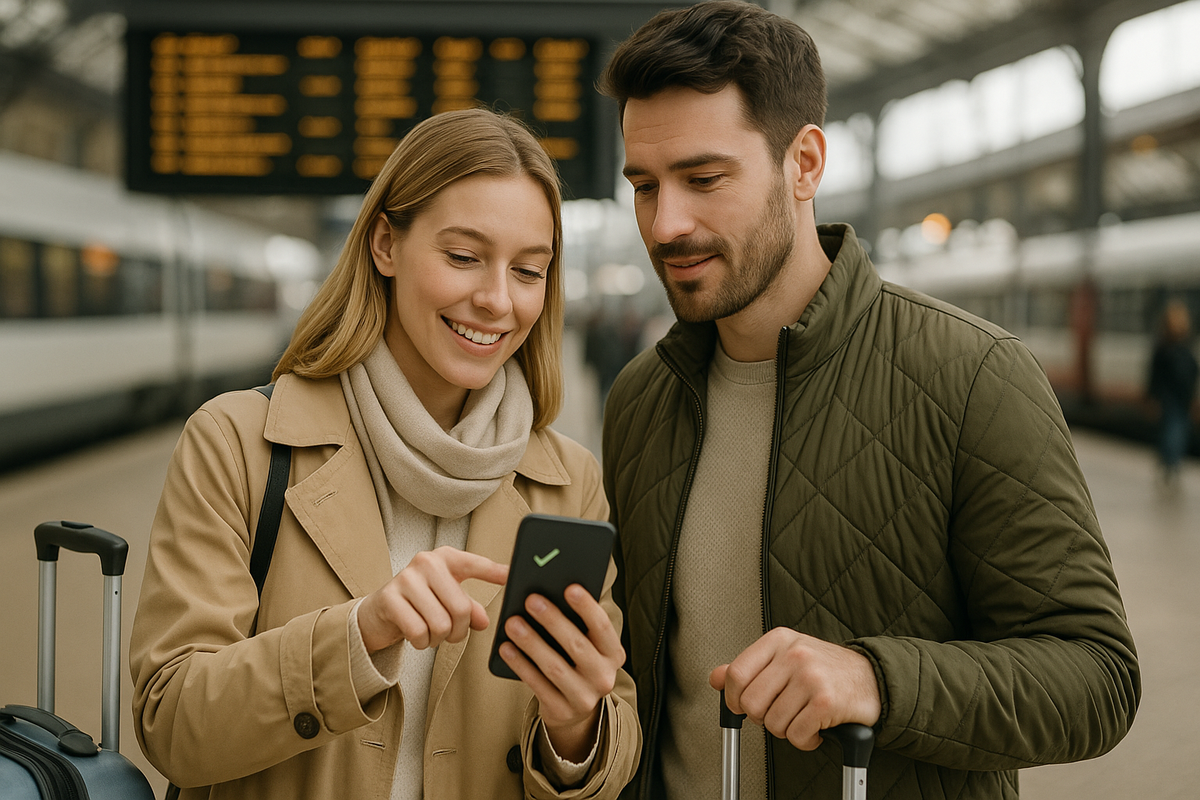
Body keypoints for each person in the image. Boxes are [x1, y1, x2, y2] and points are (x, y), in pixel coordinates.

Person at [596, 2, 1139, 798]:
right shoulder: (639, 402)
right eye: (644, 186)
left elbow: (1097, 678)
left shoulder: (973, 376)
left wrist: (879, 680)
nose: (666, 223)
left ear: (805, 163)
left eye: (704, 179)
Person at [129, 109, 640, 800]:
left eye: (528, 270)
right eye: (463, 257)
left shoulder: (569, 481)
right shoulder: (239, 444)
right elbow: (173, 724)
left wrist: (577, 724)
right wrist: (358, 635)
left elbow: (612, 744)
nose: (496, 300)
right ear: (384, 245)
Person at [1147, 299, 1199, 486]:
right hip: (1172, 398)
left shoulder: (1172, 346)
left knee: (1175, 430)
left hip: (1178, 398)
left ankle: (1169, 463)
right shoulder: (1172, 347)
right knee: (1174, 431)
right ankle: (1171, 463)